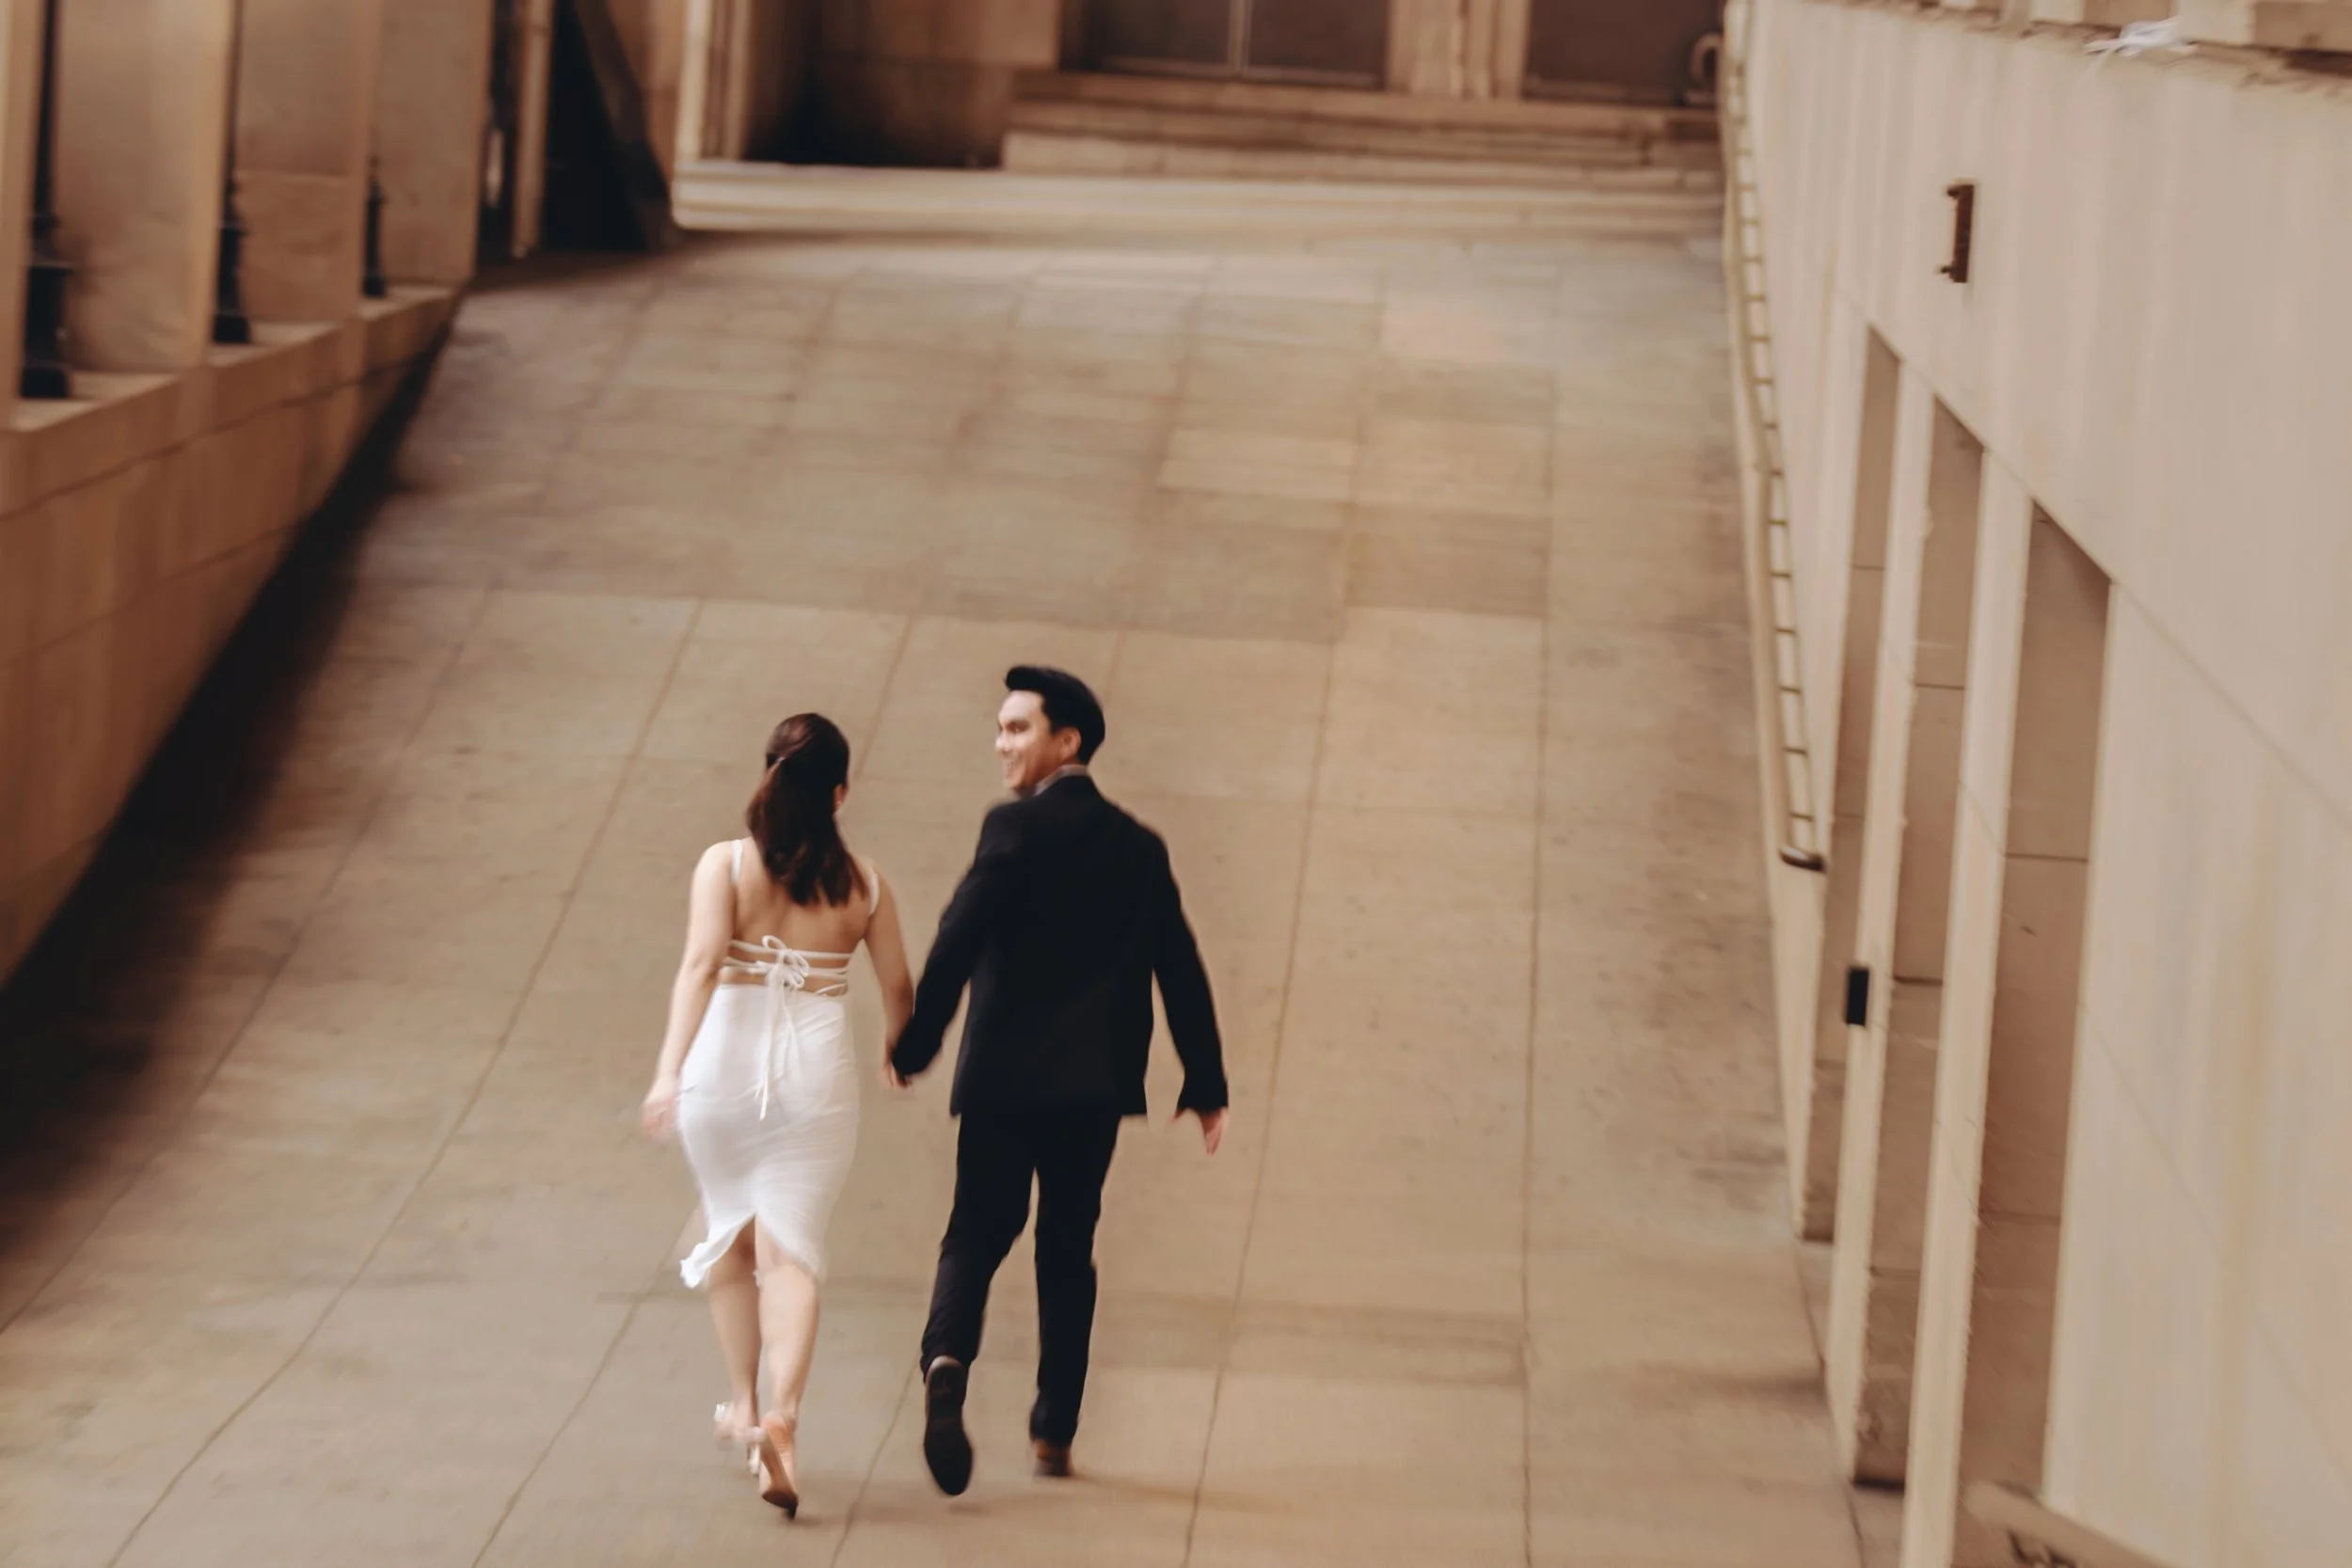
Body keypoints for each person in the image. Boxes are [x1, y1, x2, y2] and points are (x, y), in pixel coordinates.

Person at [889, 665, 1230, 1495]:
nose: (1001, 742)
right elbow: (1178, 964)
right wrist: (1206, 1079)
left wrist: (917, 1040)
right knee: (1066, 1246)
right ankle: (1052, 1427)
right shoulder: (1138, 847)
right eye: (1001, 727)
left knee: (976, 1227)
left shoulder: (1010, 831)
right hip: (1092, 1087)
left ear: (1066, 740)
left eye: (1017, 728)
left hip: (1003, 1079)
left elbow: (957, 936)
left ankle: (946, 1362)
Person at [642, 714, 914, 1518]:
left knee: (729, 1234)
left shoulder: (724, 865)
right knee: (791, 1248)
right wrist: (897, 1047)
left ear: (767, 773)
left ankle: (741, 1400)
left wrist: (666, 1072)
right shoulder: (865, 882)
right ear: (840, 792)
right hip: (815, 1074)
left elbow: (698, 966)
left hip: (722, 1066)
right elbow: (901, 987)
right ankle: (782, 1410)